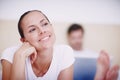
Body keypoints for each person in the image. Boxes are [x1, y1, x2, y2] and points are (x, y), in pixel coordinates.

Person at [0, 10, 75, 80]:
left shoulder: (65, 52)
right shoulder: (10, 54)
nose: (42, 31)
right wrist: (19, 56)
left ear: (51, 26)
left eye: (45, 24)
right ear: (24, 40)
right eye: (32, 29)